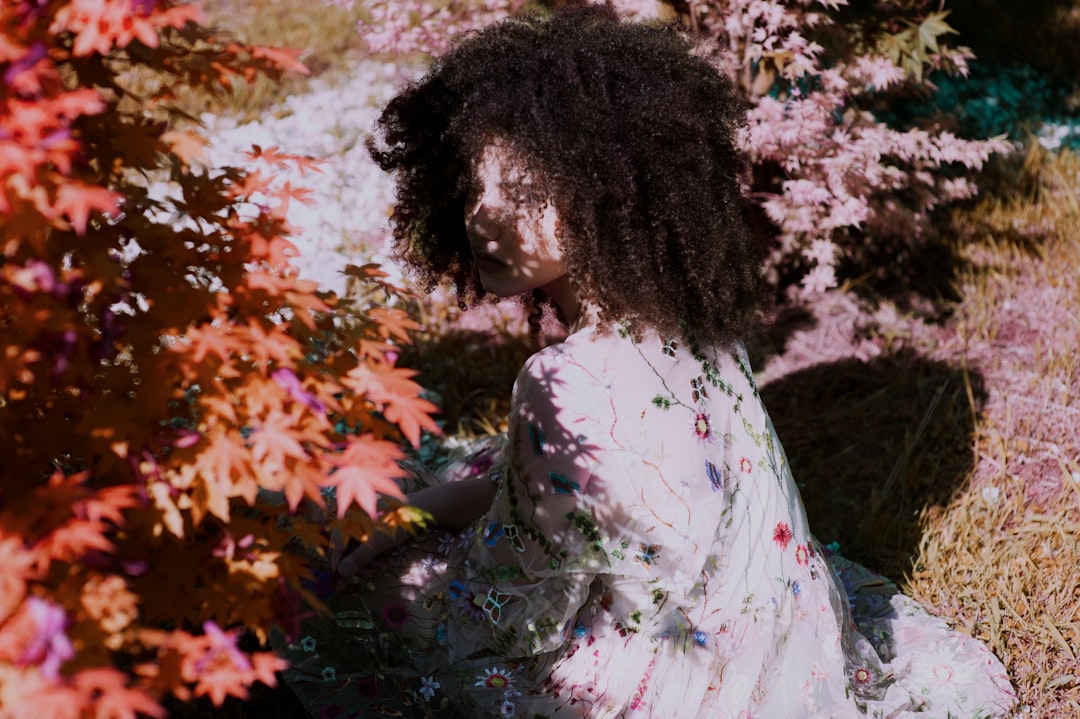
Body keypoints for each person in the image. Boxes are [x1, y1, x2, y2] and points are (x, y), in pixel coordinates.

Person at [276, 7, 1016, 717]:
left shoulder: (561, 381)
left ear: (610, 193)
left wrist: (401, 544)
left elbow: (515, 620)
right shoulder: (694, 319)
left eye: (527, 190)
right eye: (474, 187)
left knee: (360, 590)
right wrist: (425, 512)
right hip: (777, 644)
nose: (482, 216)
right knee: (467, 478)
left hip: (662, 680)